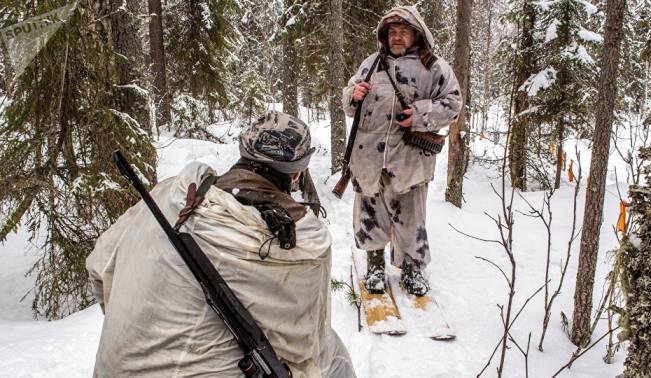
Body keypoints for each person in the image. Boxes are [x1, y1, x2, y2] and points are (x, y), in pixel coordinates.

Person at [86, 110, 355, 378]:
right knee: (334, 356)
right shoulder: (304, 245)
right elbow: (307, 348)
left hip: (113, 370)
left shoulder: (171, 197)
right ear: (296, 173)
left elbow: (99, 271)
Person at [342, 6, 462, 296]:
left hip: (409, 159)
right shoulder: (370, 63)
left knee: (411, 217)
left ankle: (411, 269)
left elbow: (454, 103)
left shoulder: (433, 67)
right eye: (393, 32)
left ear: (416, 34)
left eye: (403, 32)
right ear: (385, 35)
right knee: (370, 215)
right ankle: (374, 266)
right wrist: (353, 95)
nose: (397, 37)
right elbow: (348, 103)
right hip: (369, 157)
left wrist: (421, 114)